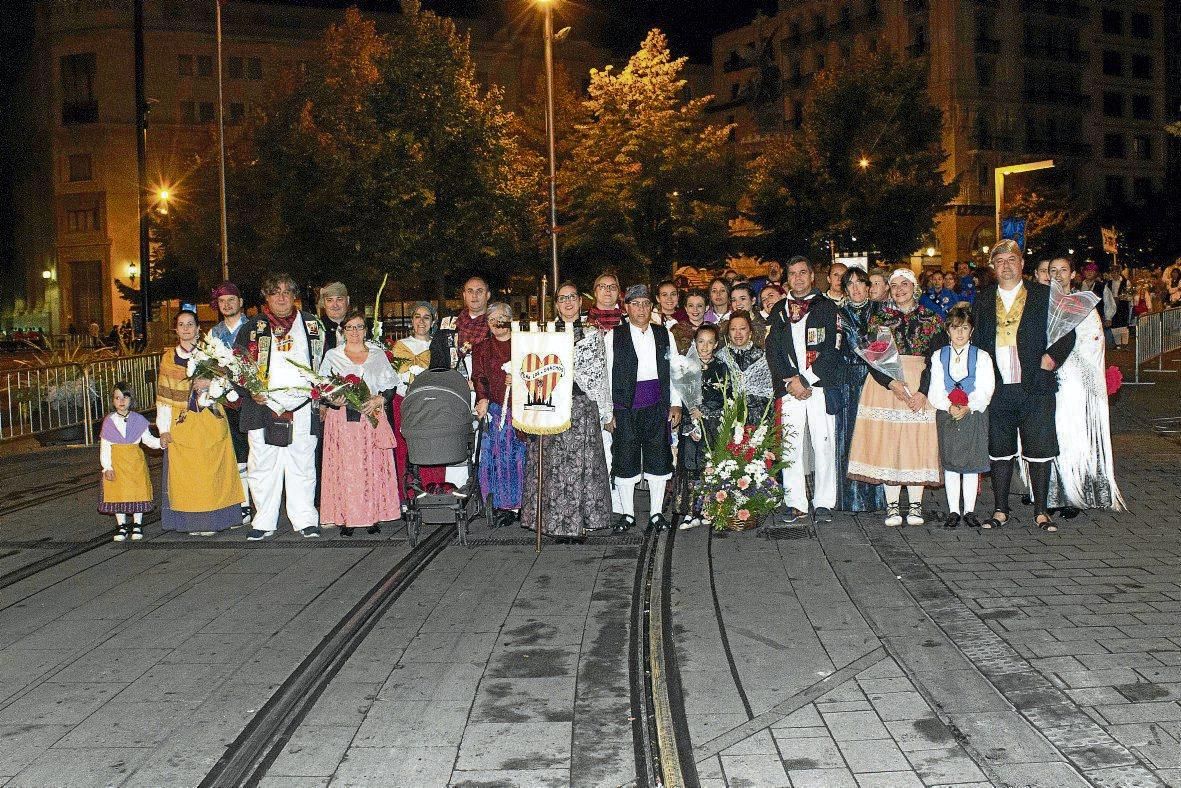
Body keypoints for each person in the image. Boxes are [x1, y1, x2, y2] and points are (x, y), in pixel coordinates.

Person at [972, 240, 1075, 532]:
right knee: (999, 449)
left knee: (1040, 448)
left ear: (1022, 264)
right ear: (993, 267)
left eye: (1012, 260)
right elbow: (977, 340)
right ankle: (1000, 509)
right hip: (999, 387)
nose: (1006, 265)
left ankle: (1042, 511)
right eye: (1000, 261)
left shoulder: (1044, 295)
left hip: (1035, 385)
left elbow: (1067, 332)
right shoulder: (983, 298)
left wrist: (1051, 358)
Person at [847, 268, 945, 527]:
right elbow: (873, 359)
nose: (900, 289)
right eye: (895, 285)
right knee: (888, 442)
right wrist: (891, 383)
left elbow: (937, 360)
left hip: (920, 380)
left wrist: (923, 391)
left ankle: (915, 505)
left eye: (905, 284)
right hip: (885, 384)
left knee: (917, 443)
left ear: (915, 287)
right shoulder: (879, 319)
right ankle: (892, 506)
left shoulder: (932, 319)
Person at [234, 273, 325, 540]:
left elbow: (323, 364)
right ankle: (263, 521)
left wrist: (322, 397)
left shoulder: (311, 324)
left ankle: (305, 518)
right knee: (262, 465)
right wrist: (251, 392)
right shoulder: (252, 327)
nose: (282, 297)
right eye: (276, 292)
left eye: (287, 292)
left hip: (302, 405)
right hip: (263, 406)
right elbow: (237, 365)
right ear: (267, 297)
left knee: (303, 464)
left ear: (294, 295)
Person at [521, 282, 613, 540]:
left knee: (580, 468)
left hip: (581, 406)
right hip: (552, 405)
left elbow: (598, 373)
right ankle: (553, 523)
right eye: (562, 299)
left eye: (573, 297)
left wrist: (605, 411)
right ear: (556, 304)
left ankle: (580, 524)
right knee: (553, 468)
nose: (568, 302)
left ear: (580, 302)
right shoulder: (545, 333)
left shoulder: (592, 334)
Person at [1046, 257, 1125, 513]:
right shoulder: (1040, 303)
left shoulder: (1083, 304)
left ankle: (1076, 492)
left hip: (1075, 380)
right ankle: (1053, 494)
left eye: (1063, 270)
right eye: (1052, 270)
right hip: (1049, 378)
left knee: (1075, 434)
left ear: (1072, 274)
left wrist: (1067, 361)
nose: (1058, 275)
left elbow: (1094, 340)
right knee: (1052, 435)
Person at [766, 256, 839, 523]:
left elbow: (833, 349)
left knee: (823, 444)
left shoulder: (827, 308)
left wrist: (806, 379)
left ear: (812, 276)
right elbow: (772, 350)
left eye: (803, 272)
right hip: (789, 388)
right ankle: (795, 501)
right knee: (791, 445)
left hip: (818, 386)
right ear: (787, 278)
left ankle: (823, 502)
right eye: (792, 273)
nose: (798, 278)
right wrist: (790, 380)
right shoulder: (779, 310)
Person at [158, 310, 245, 535]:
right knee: (188, 477)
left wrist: (211, 383)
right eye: (181, 324)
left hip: (210, 419)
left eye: (190, 324)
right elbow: (164, 397)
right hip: (182, 422)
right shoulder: (168, 359)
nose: (186, 328)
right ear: (175, 330)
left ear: (198, 329)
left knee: (212, 473)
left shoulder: (212, 353)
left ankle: (214, 520)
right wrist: (163, 429)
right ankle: (191, 523)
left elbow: (227, 382)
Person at [605, 284, 683, 532]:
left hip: (657, 405)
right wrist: (608, 412)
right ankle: (627, 514)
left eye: (646, 304)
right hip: (625, 407)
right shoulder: (613, 336)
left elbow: (675, 370)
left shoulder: (664, 334)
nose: (641, 309)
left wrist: (676, 404)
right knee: (625, 458)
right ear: (626, 308)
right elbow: (606, 375)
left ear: (653, 307)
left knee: (658, 458)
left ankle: (657, 513)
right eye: (635, 304)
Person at [318, 309, 400, 536]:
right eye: (350, 327)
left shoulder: (377, 354)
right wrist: (334, 398)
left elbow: (391, 386)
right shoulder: (333, 356)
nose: (354, 332)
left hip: (370, 417)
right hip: (343, 421)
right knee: (346, 468)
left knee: (370, 466)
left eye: (359, 327)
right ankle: (346, 517)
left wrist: (379, 398)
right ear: (342, 331)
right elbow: (323, 390)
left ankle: (372, 515)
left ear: (366, 330)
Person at [928, 304, 995, 528]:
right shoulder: (939, 356)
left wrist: (970, 405)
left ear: (971, 331)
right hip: (948, 413)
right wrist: (948, 406)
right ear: (948, 330)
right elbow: (935, 388)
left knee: (971, 463)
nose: (959, 333)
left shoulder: (982, 356)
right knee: (951, 462)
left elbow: (986, 387)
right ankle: (953, 510)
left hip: (973, 413)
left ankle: (970, 510)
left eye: (964, 328)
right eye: (955, 328)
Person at [829, 268, 885, 513]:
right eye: (849, 284)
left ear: (868, 286)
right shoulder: (838, 314)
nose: (855, 288)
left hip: (877, 377)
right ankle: (852, 498)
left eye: (860, 283)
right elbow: (850, 345)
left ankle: (880, 498)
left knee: (877, 436)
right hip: (849, 379)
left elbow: (882, 347)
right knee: (851, 436)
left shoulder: (881, 311)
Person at [473, 302, 526, 527]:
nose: (497, 323)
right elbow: (479, 376)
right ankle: (504, 505)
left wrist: (520, 377)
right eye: (492, 319)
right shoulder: (482, 348)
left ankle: (525, 504)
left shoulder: (524, 343)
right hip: (498, 411)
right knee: (500, 459)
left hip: (523, 410)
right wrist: (482, 397)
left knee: (521, 457)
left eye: (502, 317)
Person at [673, 324, 728, 530]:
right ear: (695, 343)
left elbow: (726, 399)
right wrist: (690, 420)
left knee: (710, 466)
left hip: (713, 426)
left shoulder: (721, 367)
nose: (705, 347)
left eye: (709, 342)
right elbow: (679, 397)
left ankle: (709, 508)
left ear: (716, 345)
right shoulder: (686, 367)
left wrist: (704, 412)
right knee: (690, 466)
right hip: (691, 427)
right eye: (700, 342)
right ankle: (690, 512)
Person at [390, 301, 445, 498]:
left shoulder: (438, 345)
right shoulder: (400, 346)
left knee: (432, 446)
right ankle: (408, 494)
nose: (421, 321)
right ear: (411, 320)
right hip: (403, 401)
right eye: (417, 317)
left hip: (429, 402)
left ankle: (433, 488)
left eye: (426, 317)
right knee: (405, 448)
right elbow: (393, 376)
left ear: (433, 321)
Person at [210, 281, 253, 526]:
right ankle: (243, 503)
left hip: (253, 397)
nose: (226, 305)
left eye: (231, 301)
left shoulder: (254, 327)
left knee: (258, 453)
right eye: (222, 302)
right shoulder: (215, 333)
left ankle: (262, 501)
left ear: (240, 302)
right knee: (238, 456)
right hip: (227, 400)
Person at [100, 381, 160, 541]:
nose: (121, 401)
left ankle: (137, 524)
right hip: (117, 464)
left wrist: (162, 443)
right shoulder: (109, 421)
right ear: (112, 401)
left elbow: (148, 440)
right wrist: (107, 467)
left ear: (131, 400)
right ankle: (121, 526)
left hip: (135, 464)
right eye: (117, 398)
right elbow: (105, 446)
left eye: (125, 397)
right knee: (118, 493)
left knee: (137, 492)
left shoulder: (139, 420)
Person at [718, 311, 772, 424]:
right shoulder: (720, 358)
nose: (738, 333)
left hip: (759, 420)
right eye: (733, 329)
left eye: (742, 328)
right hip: (727, 420)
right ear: (728, 334)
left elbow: (769, 396)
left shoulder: (763, 358)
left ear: (750, 332)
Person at [431, 276, 491, 375]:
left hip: (487, 388)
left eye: (479, 291)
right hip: (452, 386)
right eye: (470, 291)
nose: (474, 295)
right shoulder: (446, 326)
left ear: (488, 295)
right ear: (464, 295)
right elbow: (436, 362)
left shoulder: (496, 327)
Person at [720, 283, 767, 348]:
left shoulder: (765, 323)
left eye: (742, 299)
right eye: (734, 300)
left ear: (753, 300)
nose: (738, 304)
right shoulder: (724, 326)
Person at [653, 280, 694, 353]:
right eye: (664, 295)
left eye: (673, 294)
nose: (669, 298)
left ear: (678, 296)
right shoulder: (652, 318)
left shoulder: (686, 316)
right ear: (658, 298)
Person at [1102, 267, 1132, 348]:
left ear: (1119, 272)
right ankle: (1118, 344)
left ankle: (1125, 344)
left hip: (1122, 305)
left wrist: (1120, 298)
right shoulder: (1108, 283)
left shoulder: (1126, 282)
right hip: (1112, 305)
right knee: (1115, 324)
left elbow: (1129, 295)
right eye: (1112, 273)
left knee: (1123, 323)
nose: (1114, 274)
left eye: (1116, 272)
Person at [318, 281, 351, 352]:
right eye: (329, 300)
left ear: (347, 300)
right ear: (323, 303)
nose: (335, 305)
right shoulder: (316, 328)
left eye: (339, 299)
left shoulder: (360, 327)